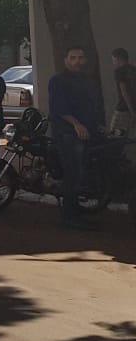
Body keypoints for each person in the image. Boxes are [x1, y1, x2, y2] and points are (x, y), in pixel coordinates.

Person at [49, 46, 105, 229]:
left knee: (81, 173)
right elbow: (60, 108)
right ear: (65, 60)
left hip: (86, 133)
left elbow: (91, 107)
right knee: (72, 174)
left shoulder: (86, 81)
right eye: (73, 57)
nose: (77, 61)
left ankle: (77, 212)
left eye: (80, 57)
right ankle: (69, 216)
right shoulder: (58, 81)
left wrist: (97, 127)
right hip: (67, 134)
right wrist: (76, 124)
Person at [111, 47, 136, 137]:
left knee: (114, 137)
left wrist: (132, 112)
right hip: (133, 108)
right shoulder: (133, 70)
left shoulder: (119, 71)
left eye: (113, 60)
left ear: (118, 59)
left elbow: (124, 92)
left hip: (123, 110)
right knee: (130, 138)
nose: (113, 63)